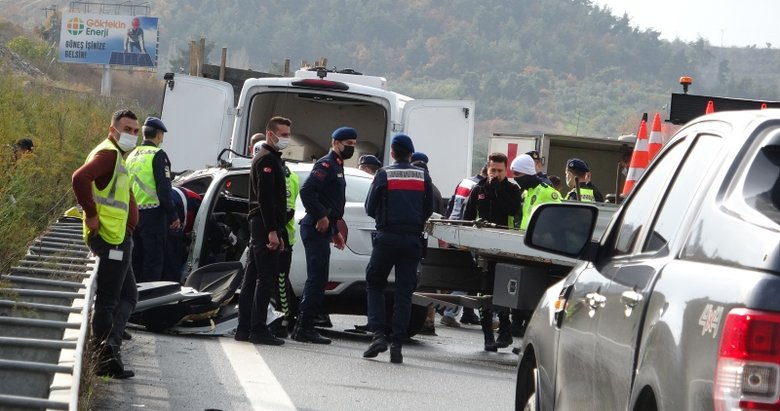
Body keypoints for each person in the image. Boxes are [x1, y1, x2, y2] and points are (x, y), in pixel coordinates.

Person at [71, 109, 140, 379]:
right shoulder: (108, 153)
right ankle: (104, 359)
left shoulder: (116, 155)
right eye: (127, 129)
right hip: (110, 237)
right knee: (110, 300)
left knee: (128, 295)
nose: (132, 135)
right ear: (113, 130)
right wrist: (90, 213)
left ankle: (109, 349)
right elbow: (79, 178)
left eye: (136, 130)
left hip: (118, 236)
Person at [362, 134, 433, 364]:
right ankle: (398, 345)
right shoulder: (423, 175)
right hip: (412, 240)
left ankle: (378, 335)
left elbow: (369, 207)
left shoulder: (384, 174)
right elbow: (429, 209)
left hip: (387, 237)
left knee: (375, 284)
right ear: (411, 154)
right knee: (404, 292)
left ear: (392, 153)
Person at [292, 126, 357, 344]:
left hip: (322, 229)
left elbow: (331, 202)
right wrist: (320, 217)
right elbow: (308, 191)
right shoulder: (326, 164)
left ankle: (305, 325)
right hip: (313, 228)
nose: (351, 148)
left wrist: (335, 231)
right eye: (348, 144)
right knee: (317, 279)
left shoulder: (337, 166)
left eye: (353, 145)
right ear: (336, 143)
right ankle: (304, 327)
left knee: (319, 279)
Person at [235, 116, 292, 346]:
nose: (287, 139)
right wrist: (272, 231)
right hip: (263, 224)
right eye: (284, 134)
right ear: (271, 134)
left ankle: (243, 328)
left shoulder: (272, 159)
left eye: (288, 134)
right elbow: (266, 199)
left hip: (262, 224)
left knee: (252, 278)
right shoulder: (266, 160)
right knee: (264, 278)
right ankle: (257, 329)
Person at [463, 152, 521, 351]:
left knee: (501, 290)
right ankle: (487, 335)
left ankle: (505, 331)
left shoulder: (512, 190)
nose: (495, 174)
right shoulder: (478, 189)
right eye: (492, 170)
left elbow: (513, 210)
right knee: (484, 290)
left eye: (499, 171)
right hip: (482, 248)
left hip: (505, 247)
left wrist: (499, 191)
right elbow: (467, 215)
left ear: (506, 171)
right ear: (487, 169)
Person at [126, 117, 181, 283]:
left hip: (132, 216)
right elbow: (164, 190)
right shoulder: (158, 155)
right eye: (162, 134)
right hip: (153, 215)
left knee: (135, 259)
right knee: (153, 262)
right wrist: (173, 216)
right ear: (158, 135)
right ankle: (150, 301)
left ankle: (133, 300)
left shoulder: (131, 155)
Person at [439, 166, 488, 327]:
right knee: (467, 276)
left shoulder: (465, 182)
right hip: (465, 233)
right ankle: (449, 311)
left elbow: (452, 204)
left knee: (460, 274)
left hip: (453, 230)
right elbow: (472, 212)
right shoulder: (479, 187)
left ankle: (462, 312)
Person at [511, 154, 562, 230]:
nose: (514, 177)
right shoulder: (526, 193)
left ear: (527, 172)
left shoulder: (547, 192)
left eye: (517, 173)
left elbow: (559, 220)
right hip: (523, 238)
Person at [163, 186, 202, 282]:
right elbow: (209, 223)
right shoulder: (196, 201)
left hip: (150, 210)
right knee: (171, 262)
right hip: (171, 210)